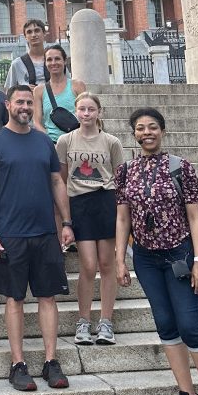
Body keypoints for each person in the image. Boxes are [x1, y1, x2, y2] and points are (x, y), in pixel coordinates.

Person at [115, 107, 198, 395]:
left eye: (152, 127)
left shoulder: (181, 167)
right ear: (134, 134)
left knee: (191, 326)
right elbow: (123, 218)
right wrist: (120, 259)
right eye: (141, 128)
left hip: (180, 255)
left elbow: (195, 216)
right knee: (166, 324)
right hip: (146, 258)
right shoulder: (125, 171)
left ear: (162, 131)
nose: (147, 133)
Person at [0, 83, 73, 392]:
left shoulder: (44, 141)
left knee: (48, 297)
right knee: (14, 298)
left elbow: (57, 182)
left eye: (29, 103)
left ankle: (50, 361)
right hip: (10, 234)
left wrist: (66, 222)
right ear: (7, 105)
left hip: (44, 231)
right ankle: (18, 364)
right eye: (19, 102)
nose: (25, 107)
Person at [56, 93, 124, 346]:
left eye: (91, 109)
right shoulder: (65, 140)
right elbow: (61, 180)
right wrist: (64, 219)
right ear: (76, 112)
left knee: (107, 264)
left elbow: (120, 178)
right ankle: (83, 321)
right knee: (87, 265)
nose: (86, 114)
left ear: (99, 112)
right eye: (82, 109)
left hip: (105, 201)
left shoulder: (111, 142)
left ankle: (106, 321)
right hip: (79, 203)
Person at [33, 45, 86, 142]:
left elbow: (86, 114)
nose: (53, 63)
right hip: (51, 142)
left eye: (57, 59)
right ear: (45, 63)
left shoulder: (77, 86)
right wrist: (49, 140)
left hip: (75, 141)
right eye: (49, 60)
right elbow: (37, 122)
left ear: (64, 61)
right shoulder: (39, 90)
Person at [4, 19, 48, 89]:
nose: (33, 35)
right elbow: (9, 90)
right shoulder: (17, 64)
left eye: (37, 30)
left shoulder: (55, 60)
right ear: (25, 37)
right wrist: (23, 89)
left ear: (44, 33)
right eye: (29, 32)